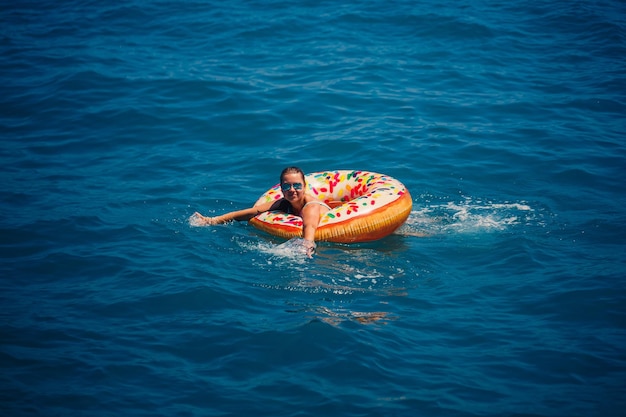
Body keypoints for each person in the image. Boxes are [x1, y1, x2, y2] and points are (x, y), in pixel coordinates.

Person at [190, 167, 330, 257]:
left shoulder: (310, 206)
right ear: (281, 189)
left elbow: (309, 227)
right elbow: (253, 211)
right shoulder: (283, 203)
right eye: (287, 186)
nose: (292, 190)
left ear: (304, 187)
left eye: (297, 185)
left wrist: (307, 246)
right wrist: (213, 220)